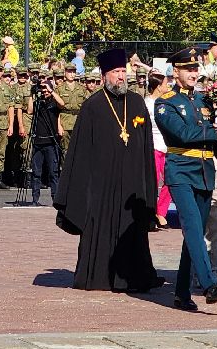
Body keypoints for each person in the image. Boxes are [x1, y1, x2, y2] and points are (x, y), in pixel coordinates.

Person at [54, 48, 161, 292]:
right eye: (116, 72)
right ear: (104, 76)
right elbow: (80, 152)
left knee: (132, 229)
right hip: (102, 184)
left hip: (132, 183)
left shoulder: (136, 103)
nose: (121, 76)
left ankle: (134, 277)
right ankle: (99, 276)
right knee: (100, 227)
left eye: (123, 71)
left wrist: (148, 181)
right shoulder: (92, 106)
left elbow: (146, 145)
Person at [152, 47, 217, 311]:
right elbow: (184, 134)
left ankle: (182, 293)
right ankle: (209, 283)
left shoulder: (203, 100)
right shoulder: (166, 103)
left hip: (205, 172)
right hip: (181, 170)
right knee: (193, 227)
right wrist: (215, 130)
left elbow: (212, 140)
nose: (193, 73)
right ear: (176, 72)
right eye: (188, 69)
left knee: (193, 235)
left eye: (196, 68)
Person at [27, 69, 62, 206]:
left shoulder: (53, 104)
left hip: (51, 141)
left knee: (53, 172)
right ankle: (35, 199)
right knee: (36, 173)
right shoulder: (38, 103)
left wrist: (51, 90)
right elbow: (29, 111)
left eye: (46, 90)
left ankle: (55, 198)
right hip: (38, 141)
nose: (45, 92)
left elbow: (62, 104)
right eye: (43, 90)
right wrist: (32, 95)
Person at [144, 72, 172, 228]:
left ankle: (161, 213)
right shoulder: (146, 104)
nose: (168, 86)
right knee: (152, 182)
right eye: (166, 84)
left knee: (170, 180)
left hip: (167, 147)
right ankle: (149, 214)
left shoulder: (167, 102)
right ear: (158, 87)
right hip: (153, 147)